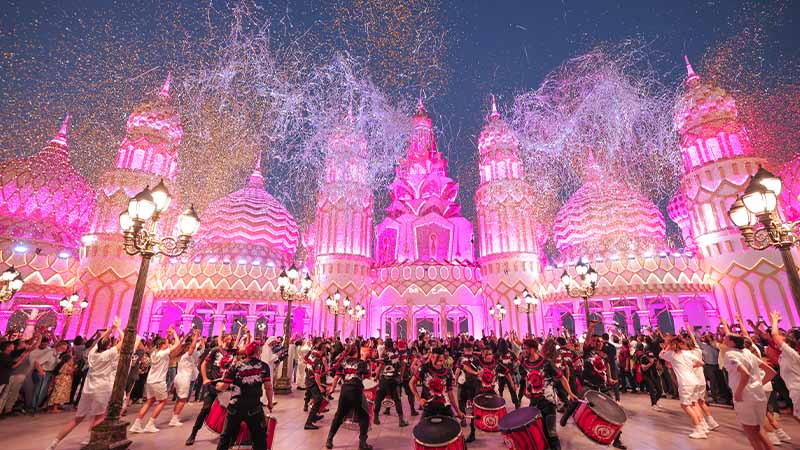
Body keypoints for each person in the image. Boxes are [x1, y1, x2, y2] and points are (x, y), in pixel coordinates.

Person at [45, 318, 134, 450]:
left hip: (88, 389)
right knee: (100, 417)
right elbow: (124, 341)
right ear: (108, 346)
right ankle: (92, 440)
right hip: (101, 389)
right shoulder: (108, 354)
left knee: (77, 419)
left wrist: (110, 329)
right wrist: (118, 328)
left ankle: (54, 443)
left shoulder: (93, 353)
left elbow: (99, 341)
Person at [215, 341, 273, 450]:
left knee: (226, 436)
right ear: (258, 352)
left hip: (235, 407)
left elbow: (224, 386)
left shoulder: (236, 366)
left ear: (247, 352)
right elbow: (268, 387)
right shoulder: (263, 366)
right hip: (253, 407)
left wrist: (217, 385)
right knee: (259, 437)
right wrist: (270, 403)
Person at [723, 332, 776, 450]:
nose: (723, 339)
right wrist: (757, 385)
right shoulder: (747, 352)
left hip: (745, 397)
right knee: (759, 430)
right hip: (758, 395)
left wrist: (738, 392)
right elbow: (771, 372)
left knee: (751, 434)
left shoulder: (730, 354)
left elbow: (745, 374)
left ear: (732, 342)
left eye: (725, 338)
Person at [523, 338, 576, 450]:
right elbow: (527, 377)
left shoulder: (547, 363)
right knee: (537, 431)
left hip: (548, 402)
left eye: (525, 349)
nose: (524, 351)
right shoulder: (525, 363)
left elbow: (562, 378)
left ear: (533, 349)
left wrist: (570, 393)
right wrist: (527, 389)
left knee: (551, 432)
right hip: (534, 402)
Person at [185, 332, 236, 446]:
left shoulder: (232, 352)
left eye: (231, 339)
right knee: (205, 409)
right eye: (228, 339)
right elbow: (203, 364)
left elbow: (245, 349)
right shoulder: (215, 350)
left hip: (226, 385)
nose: (230, 341)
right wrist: (204, 378)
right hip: (213, 384)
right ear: (222, 340)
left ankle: (228, 435)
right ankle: (193, 433)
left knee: (231, 412)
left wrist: (247, 336)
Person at [130, 326, 181, 433]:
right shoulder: (163, 353)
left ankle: (137, 424)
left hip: (150, 380)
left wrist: (167, 335)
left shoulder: (154, 352)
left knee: (149, 401)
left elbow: (163, 343)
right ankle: (150, 424)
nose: (168, 345)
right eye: (166, 344)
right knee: (163, 401)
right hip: (158, 381)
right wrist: (175, 334)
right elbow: (177, 344)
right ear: (162, 346)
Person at [325, 344, 373, 450]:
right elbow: (367, 375)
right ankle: (362, 443)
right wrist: (365, 360)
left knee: (339, 415)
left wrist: (332, 388)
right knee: (364, 415)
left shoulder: (343, 362)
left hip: (345, 390)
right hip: (356, 391)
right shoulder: (361, 363)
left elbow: (337, 376)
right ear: (358, 351)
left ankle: (329, 439)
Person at [411, 347, 465, 420]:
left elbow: (450, 393)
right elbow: (411, 383)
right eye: (435, 359)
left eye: (441, 360)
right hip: (429, 407)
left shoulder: (447, 372)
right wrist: (419, 399)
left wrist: (458, 411)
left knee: (454, 428)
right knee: (422, 429)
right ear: (431, 357)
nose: (439, 363)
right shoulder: (424, 369)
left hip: (445, 406)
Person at [373, 338, 408, 427]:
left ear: (386, 346)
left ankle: (376, 417)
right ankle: (401, 420)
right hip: (395, 380)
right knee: (397, 400)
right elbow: (403, 364)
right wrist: (401, 376)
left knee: (379, 398)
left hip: (384, 379)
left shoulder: (384, 354)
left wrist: (376, 377)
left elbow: (380, 366)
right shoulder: (398, 353)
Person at [170, 330, 201, 426]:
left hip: (179, 377)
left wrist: (187, 335)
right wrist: (196, 336)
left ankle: (174, 416)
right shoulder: (187, 356)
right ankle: (174, 419)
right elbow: (192, 347)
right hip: (184, 379)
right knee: (183, 400)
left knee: (179, 399)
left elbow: (181, 345)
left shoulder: (181, 356)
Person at [304, 342, 328, 430]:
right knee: (318, 399)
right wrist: (320, 386)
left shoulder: (313, 356)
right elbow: (317, 375)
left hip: (308, 380)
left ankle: (313, 416)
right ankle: (309, 422)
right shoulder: (319, 360)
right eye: (325, 348)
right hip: (312, 381)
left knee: (317, 398)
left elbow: (305, 359)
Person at [46, 343, 75, 412]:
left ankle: (52, 407)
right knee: (58, 394)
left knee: (56, 393)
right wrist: (74, 368)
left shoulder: (62, 364)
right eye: (71, 360)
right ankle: (54, 408)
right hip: (62, 382)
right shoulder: (66, 366)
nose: (72, 361)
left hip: (61, 381)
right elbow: (69, 372)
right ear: (67, 360)